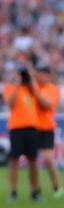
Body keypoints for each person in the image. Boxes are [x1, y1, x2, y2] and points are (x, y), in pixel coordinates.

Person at [4, 60, 52, 202]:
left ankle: (34, 191)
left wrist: (33, 85)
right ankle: (13, 191)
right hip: (16, 128)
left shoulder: (33, 89)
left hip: (32, 128)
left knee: (33, 161)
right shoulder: (10, 87)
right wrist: (17, 84)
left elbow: (45, 105)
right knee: (14, 160)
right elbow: (10, 104)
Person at [34, 63, 63, 199]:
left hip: (46, 128)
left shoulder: (52, 89)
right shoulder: (32, 88)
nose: (38, 76)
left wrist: (34, 91)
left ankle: (56, 185)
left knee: (48, 159)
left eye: (40, 73)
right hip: (32, 127)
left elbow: (46, 105)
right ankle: (35, 189)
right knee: (33, 161)